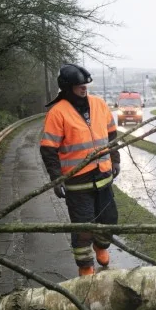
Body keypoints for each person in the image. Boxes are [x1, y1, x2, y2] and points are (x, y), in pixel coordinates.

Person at [40, 64, 120, 277]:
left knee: (109, 219)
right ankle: (85, 265)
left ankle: (101, 246)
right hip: (77, 181)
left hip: (103, 175)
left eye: (85, 85)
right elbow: (49, 149)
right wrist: (56, 179)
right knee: (84, 226)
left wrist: (116, 159)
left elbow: (112, 135)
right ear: (67, 88)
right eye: (79, 86)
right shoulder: (57, 113)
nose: (84, 89)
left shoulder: (99, 104)